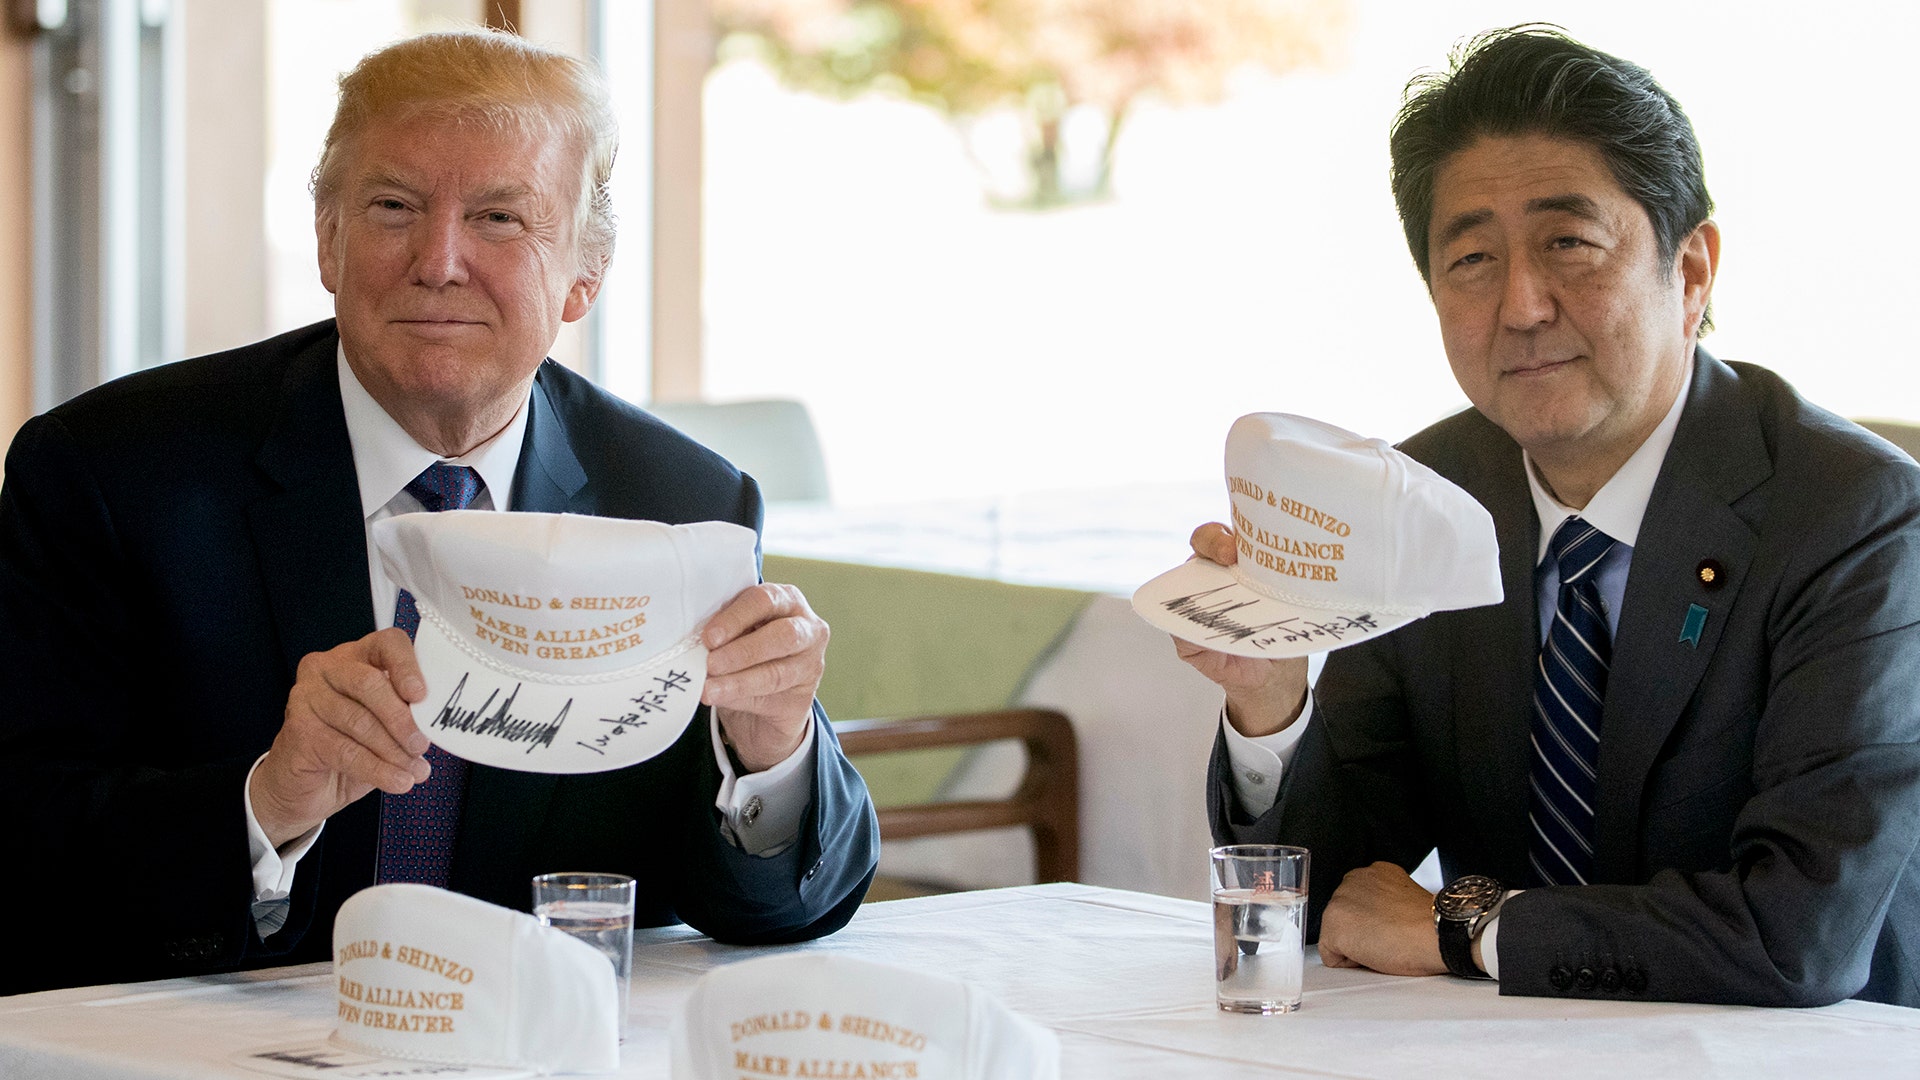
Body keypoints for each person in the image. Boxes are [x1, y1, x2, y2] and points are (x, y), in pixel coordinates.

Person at [0, 30, 877, 997]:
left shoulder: (681, 504)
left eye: (500, 217)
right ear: (328, 240)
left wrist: (772, 750)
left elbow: (782, 906)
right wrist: (268, 799)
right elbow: (21, 844)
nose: (440, 260)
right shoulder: (111, 475)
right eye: (393, 207)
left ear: (584, 274)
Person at [1178, 25, 1920, 1007]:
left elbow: (1800, 934)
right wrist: (1271, 698)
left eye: (1569, 243)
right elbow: (1333, 895)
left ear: (1691, 271)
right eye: (1473, 259)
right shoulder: (1422, 498)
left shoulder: (1852, 516)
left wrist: (1468, 923)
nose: (1522, 305)